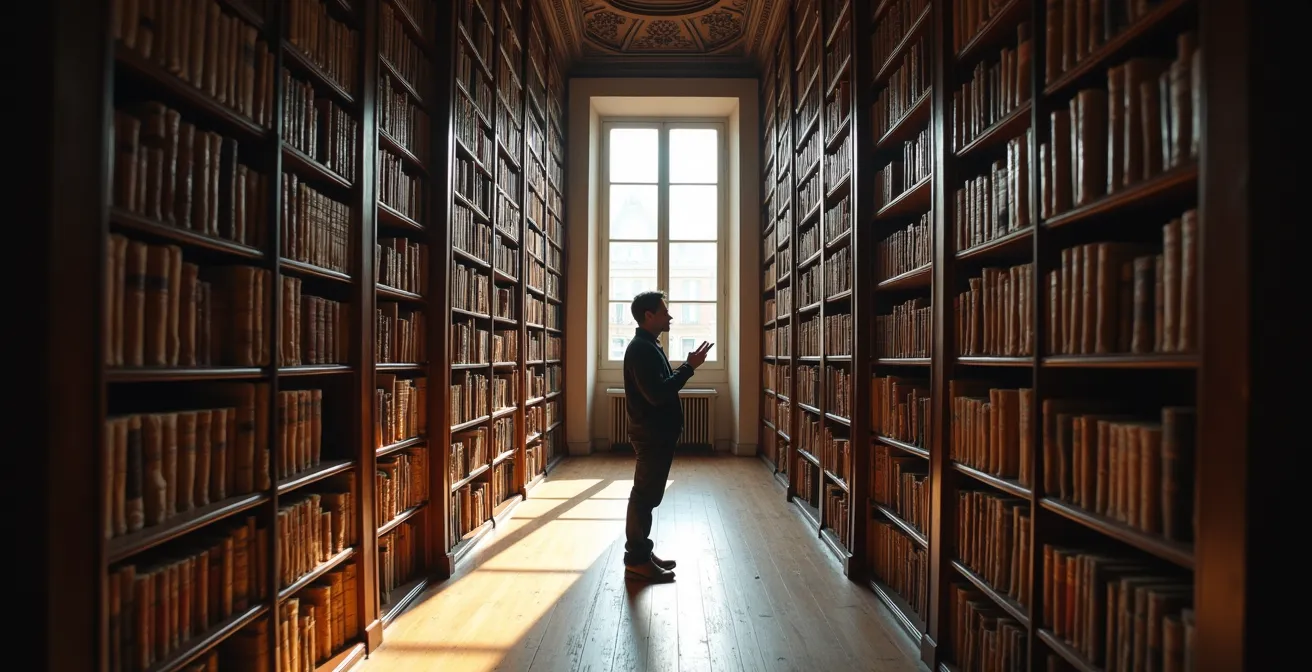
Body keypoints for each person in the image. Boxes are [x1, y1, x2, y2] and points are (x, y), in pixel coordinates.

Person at [621, 290, 712, 582]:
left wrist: (686, 367)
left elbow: (659, 386)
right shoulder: (641, 349)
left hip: (655, 433)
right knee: (643, 496)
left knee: (647, 495)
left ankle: (643, 552)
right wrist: (689, 368)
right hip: (651, 434)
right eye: (664, 311)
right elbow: (658, 395)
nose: (669, 315)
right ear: (649, 316)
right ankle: (636, 559)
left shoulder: (649, 345)